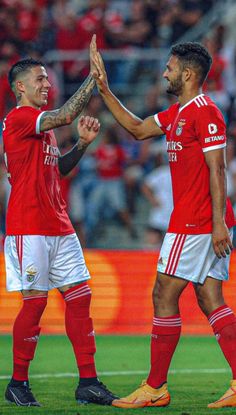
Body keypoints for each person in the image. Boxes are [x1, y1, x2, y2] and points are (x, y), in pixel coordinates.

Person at [90, 36, 236, 409]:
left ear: (187, 74)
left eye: (169, 68)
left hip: (198, 221)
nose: (164, 73)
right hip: (200, 220)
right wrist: (104, 88)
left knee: (163, 295)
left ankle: (155, 386)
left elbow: (217, 168)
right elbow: (137, 129)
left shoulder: (205, 111)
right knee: (209, 297)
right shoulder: (179, 113)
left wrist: (218, 222)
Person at [3, 42, 118, 407]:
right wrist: (94, 77)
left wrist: (83, 145)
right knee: (35, 305)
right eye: (39, 80)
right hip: (29, 225)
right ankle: (18, 383)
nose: (46, 84)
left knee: (80, 300)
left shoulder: (43, 129)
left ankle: (88, 382)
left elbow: (60, 170)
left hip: (59, 224)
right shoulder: (20, 119)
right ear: (20, 86)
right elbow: (67, 113)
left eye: (47, 79)